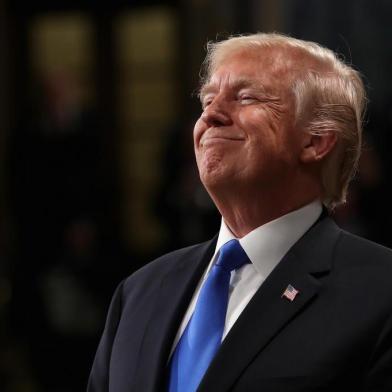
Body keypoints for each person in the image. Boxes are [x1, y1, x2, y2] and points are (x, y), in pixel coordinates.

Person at [87, 33, 392, 391]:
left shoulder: (380, 292)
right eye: (207, 100)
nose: (210, 116)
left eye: (245, 98)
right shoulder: (139, 292)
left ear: (315, 141)